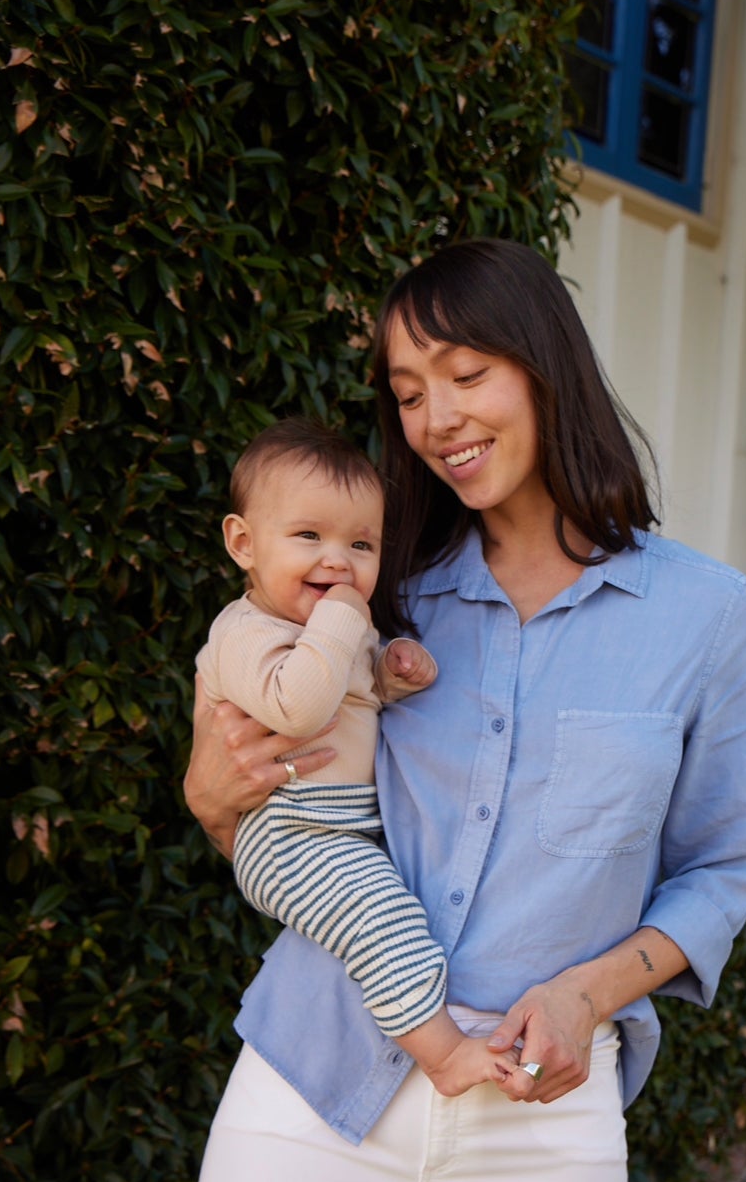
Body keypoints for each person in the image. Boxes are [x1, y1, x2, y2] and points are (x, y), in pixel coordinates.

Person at [113, 237, 746, 1182]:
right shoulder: (368, 583)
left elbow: (724, 862)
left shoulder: (700, 614)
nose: (432, 414)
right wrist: (210, 791)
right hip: (313, 1076)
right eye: (405, 387)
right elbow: (245, 797)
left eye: (461, 371)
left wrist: (588, 989)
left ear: (543, 365)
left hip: (539, 1110)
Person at [197, 415, 518, 1098]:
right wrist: (345, 620)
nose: (338, 560)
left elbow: (352, 697)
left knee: (393, 916)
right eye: (308, 535)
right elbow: (298, 707)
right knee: (382, 921)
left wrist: (390, 674)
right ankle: (443, 1055)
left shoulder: (324, 629)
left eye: (361, 543)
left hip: (334, 828)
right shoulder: (245, 631)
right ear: (243, 543)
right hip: (288, 836)